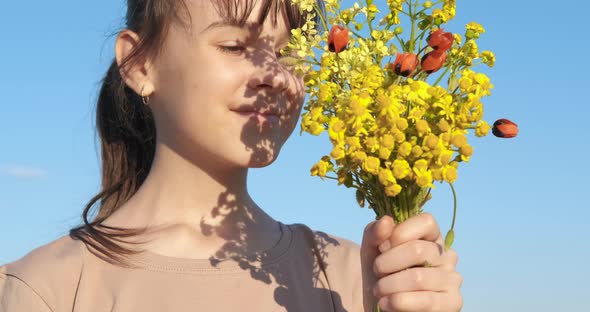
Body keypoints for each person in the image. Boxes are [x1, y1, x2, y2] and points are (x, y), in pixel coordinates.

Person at [0, 0, 462, 311]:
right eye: (234, 46)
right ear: (139, 64)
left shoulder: (350, 276)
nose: (275, 77)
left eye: (291, 55)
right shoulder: (47, 290)